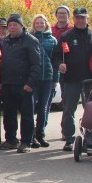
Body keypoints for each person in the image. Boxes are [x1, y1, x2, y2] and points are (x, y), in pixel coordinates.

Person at [52, 7, 92, 151]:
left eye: (83, 17)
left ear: (88, 18)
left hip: (91, 80)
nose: (80, 20)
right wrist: (59, 64)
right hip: (71, 79)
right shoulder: (66, 36)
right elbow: (56, 56)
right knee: (69, 110)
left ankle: (91, 138)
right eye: (78, 18)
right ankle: (69, 139)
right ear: (73, 19)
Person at [0, 14, 40, 153]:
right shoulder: (6, 41)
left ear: (21, 26)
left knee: (26, 115)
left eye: (15, 24)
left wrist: (30, 82)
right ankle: (11, 140)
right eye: (10, 25)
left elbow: (36, 64)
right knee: (9, 114)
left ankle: (26, 141)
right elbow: (3, 63)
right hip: (8, 83)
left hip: (24, 84)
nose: (12, 27)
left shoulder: (30, 40)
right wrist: (1, 81)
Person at [30, 14, 57, 148]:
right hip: (33, 78)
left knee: (43, 108)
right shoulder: (29, 39)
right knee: (31, 107)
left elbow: (56, 61)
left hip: (47, 77)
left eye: (42, 23)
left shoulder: (52, 40)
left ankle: (40, 134)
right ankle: (30, 136)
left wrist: (55, 79)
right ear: (34, 25)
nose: (40, 25)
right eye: (37, 23)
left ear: (46, 24)